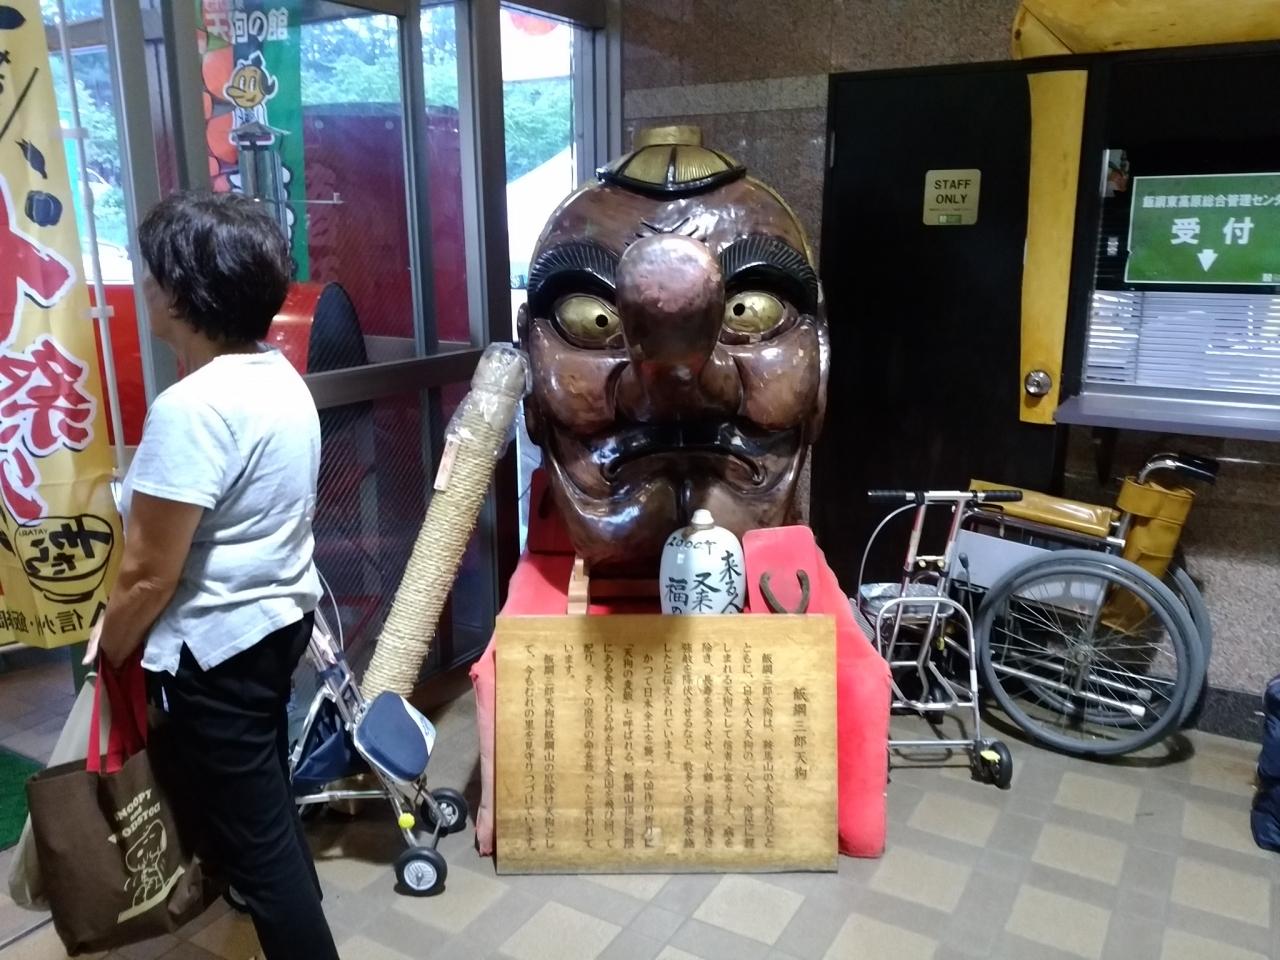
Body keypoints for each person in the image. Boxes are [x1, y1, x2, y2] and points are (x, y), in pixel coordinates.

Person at [86, 191, 339, 960]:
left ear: (182, 294)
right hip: (275, 625)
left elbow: (146, 577)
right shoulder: (276, 376)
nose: (144, 282)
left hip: (218, 650)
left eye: (153, 271)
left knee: (259, 844)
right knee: (265, 803)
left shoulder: (192, 408)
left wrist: (108, 649)